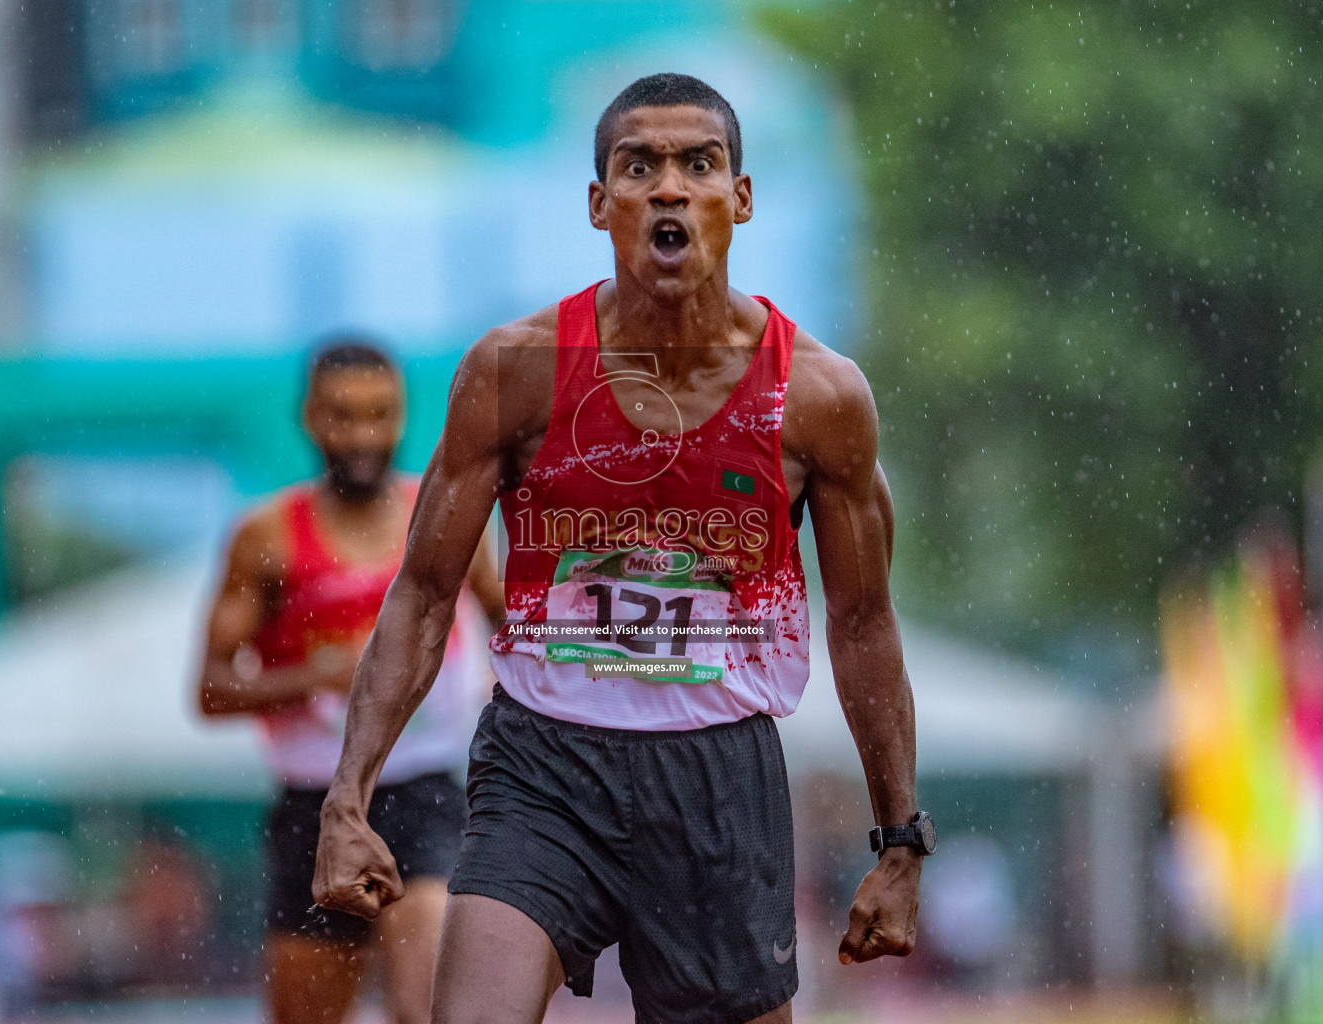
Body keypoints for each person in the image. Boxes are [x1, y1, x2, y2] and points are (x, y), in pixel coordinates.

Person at [314, 74, 930, 1024]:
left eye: (700, 163)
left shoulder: (816, 396)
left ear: (742, 198)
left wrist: (899, 842)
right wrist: (347, 798)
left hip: (719, 775)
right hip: (544, 762)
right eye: (640, 167)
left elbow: (861, 623)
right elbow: (425, 593)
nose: (670, 188)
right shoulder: (515, 373)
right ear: (602, 204)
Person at [198, 339, 503, 1024]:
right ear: (310, 418)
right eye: (343, 415)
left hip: (423, 794)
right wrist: (315, 676)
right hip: (313, 803)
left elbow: (514, 626)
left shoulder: (444, 517)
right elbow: (209, 691)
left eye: (379, 415)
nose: (364, 436)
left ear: (401, 416)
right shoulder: (267, 539)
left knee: (427, 1004)